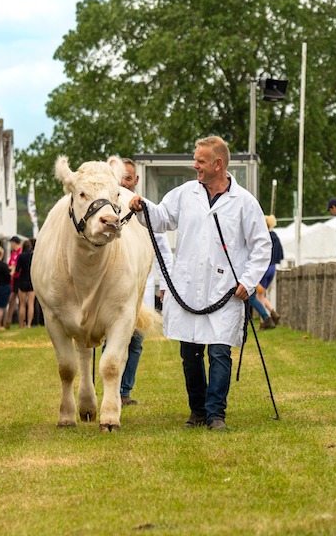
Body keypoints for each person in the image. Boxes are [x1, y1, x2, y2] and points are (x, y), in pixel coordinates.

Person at [129, 136, 271, 431]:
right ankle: (197, 410)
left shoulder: (244, 202)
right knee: (190, 353)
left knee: (220, 351)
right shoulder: (184, 194)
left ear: (218, 164)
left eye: (201, 161)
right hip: (188, 288)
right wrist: (143, 207)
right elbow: (162, 218)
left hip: (225, 290)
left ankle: (215, 412)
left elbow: (261, 245)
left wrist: (248, 280)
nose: (195, 166)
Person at [118, 158, 173, 406]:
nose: (123, 182)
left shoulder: (145, 208)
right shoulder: (107, 209)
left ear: (136, 180)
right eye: (119, 177)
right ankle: (112, 388)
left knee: (136, 341)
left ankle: (124, 390)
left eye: (128, 178)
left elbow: (162, 249)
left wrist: (165, 284)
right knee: (113, 339)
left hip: (141, 289)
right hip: (115, 289)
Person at [252, 214, 284, 329]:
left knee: (256, 296)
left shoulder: (263, 236)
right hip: (272, 268)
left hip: (264, 268)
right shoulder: (275, 236)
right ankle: (272, 313)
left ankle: (265, 318)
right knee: (261, 294)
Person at [14, 239, 35, 328]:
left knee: (22, 304)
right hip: (31, 280)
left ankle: (21, 324)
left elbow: (17, 270)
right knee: (31, 303)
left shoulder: (21, 256)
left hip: (22, 280)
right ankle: (29, 324)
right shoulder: (33, 255)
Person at [6, 236, 23, 324]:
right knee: (11, 299)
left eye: (11, 243)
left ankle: (21, 321)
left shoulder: (21, 252)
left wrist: (13, 268)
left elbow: (18, 266)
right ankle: (8, 320)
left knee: (21, 301)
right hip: (13, 279)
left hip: (19, 278)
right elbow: (10, 265)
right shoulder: (13, 253)